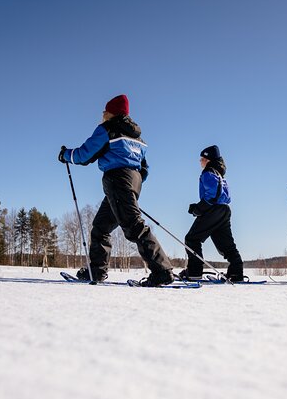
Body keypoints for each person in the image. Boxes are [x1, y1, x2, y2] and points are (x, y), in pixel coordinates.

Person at [58, 94, 174, 286]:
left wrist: (66, 155)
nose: (102, 113)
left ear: (112, 112)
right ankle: (96, 270)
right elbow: (145, 167)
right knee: (101, 227)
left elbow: (85, 155)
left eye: (105, 110)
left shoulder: (107, 129)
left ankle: (162, 270)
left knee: (133, 226)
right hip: (133, 181)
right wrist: (133, 185)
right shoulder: (138, 138)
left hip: (117, 180)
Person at [179, 145, 244, 281]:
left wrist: (199, 208)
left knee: (192, 239)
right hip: (224, 210)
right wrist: (199, 207)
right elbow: (222, 195)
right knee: (226, 245)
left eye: (202, 158)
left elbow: (213, 194)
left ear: (208, 160)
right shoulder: (219, 173)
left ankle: (194, 272)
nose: (200, 161)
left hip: (213, 209)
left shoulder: (208, 172)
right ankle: (236, 272)